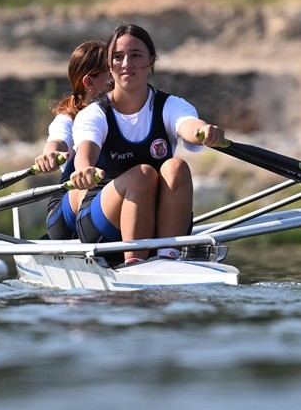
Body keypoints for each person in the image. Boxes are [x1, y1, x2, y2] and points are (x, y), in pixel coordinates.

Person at [67, 23, 226, 265]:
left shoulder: (170, 105)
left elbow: (189, 125)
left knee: (177, 167)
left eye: (135, 55)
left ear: (151, 61)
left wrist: (203, 131)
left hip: (153, 223)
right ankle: (135, 263)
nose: (126, 63)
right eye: (118, 57)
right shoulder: (94, 114)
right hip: (102, 226)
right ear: (109, 66)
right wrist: (83, 168)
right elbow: (86, 152)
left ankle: (167, 256)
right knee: (142, 175)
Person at [34, 39, 112, 239]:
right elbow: (57, 141)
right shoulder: (68, 119)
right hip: (65, 214)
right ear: (89, 82)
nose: (119, 76)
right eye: (110, 72)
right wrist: (49, 154)